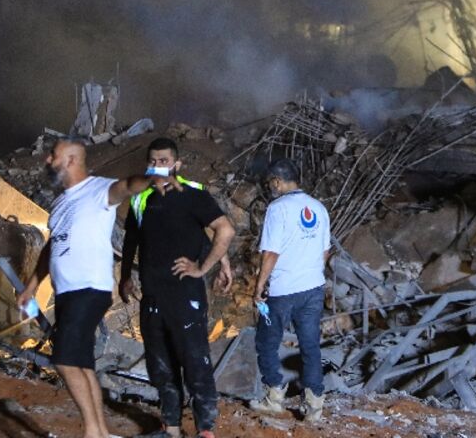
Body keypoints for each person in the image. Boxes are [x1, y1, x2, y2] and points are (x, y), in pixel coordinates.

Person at [17, 139, 139, 438]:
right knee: (81, 363)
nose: (47, 160)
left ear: (71, 160)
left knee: (64, 358)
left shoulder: (98, 190)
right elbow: (52, 248)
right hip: (68, 293)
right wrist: (31, 286)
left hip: (89, 288)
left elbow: (126, 186)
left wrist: (152, 177)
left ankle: (93, 433)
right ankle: (99, 431)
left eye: (53, 156)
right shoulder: (61, 203)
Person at [118, 137, 235, 438]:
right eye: (153, 161)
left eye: (164, 161)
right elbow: (132, 237)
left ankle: (204, 429)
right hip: (152, 295)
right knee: (161, 365)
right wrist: (125, 277)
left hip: (185, 295)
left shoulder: (193, 194)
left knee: (195, 362)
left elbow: (223, 230)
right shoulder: (140, 198)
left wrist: (206, 267)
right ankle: (170, 427)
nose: (158, 166)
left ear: (177, 164)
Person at [249, 158, 331, 422]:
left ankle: (274, 399)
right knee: (310, 346)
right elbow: (325, 252)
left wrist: (260, 285)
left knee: (266, 342)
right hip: (313, 288)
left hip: (283, 291)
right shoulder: (319, 207)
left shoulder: (278, 208)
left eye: (270, 183)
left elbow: (271, 252)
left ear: (277, 181)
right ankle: (314, 408)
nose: (270, 187)